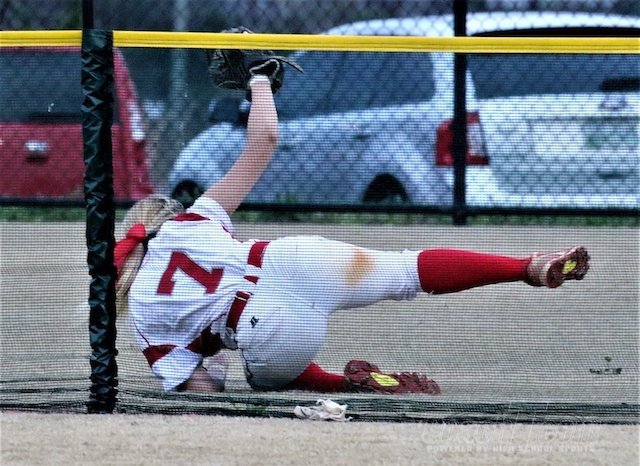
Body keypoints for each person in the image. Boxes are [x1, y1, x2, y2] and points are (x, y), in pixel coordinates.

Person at [115, 74, 590, 395]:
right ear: (165, 218)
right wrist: (258, 80)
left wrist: (215, 366)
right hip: (291, 260)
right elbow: (264, 141)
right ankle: (524, 266)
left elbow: (200, 389)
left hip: (267, 329)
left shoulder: (141, 314)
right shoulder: (192, 222)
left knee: (261, 379)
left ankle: (344, 384)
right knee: (406, 269)